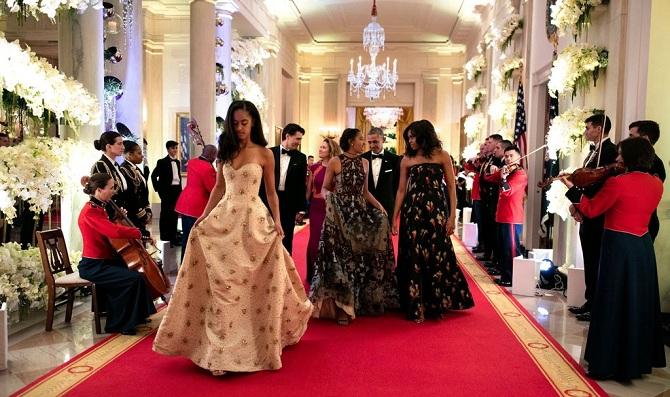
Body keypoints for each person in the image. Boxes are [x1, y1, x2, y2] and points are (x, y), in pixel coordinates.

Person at [153, 100, 312, 375]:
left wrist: (277, 221)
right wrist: (203, 217)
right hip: (224, 219)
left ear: (253, 123)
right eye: (235, 123)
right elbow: (217, 189)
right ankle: (221, 351)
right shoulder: (226, 152)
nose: (239, 128)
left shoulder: (264, 154)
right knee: (224, 286)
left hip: (253, 222)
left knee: (249, 284)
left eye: (244, 123)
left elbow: (272, 192)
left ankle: (254, 340)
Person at [563, 137, 665, 380]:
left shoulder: (618, 183)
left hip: (618, 246)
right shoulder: (656, 183)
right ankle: (636, 361)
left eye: (620, 155)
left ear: (628, 158)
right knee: (637, 303)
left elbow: (592, 209)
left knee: (612, 301)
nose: (617, 159)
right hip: (642, 245)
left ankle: (607, 362)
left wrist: (573, 191)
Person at [309, 128, 397, 325]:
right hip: (340, 215)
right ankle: (341, 307)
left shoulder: (364, 162)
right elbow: (324, 188)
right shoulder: (335, 161)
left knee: (358, 259)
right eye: (360, 139)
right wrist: (330, 199)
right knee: (342, 258)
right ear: (350, 141)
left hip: (359, 214)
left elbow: (365, 192)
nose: (363, 143)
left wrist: (379, 207)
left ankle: (357, 302)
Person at [391, 120, 474, 323]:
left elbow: (452, 188)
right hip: (412, 213)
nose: (409, 141)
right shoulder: (406, 159)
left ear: (424, 136)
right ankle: (414, 302)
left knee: (437, 254)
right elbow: (401, 190)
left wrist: (452, 216)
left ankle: (436, 301)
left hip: (436, 211)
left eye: (412, 136)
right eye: (407, 137)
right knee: (413, 255)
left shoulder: (442, 156)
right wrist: (394, 217)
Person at [78, 173, 156, 335]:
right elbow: (112, 231)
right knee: (130, 279)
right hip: (93, 265)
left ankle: (137, 317)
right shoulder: (90, 211)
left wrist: (116, 217)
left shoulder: (99, 208)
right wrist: (139, 232)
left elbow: (106, 229)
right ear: (99, 190)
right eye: (111, 188)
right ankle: (120, 324)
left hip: (104, 261)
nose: (114, 191)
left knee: (136, 274)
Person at [568, 114, 617, 322]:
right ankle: (590, 300)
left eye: (588, 128)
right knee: (588, 258)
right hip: (587, 211)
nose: (585, 132)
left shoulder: (609, 151)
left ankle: (597, 304)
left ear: (599, 129)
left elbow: (598, 184)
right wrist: (577, 206)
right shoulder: (593, 152)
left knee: (596, 259)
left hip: (598, 214)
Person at [259, 124, 308, 254]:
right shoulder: (269, 152)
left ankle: (285, 270)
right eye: (297, 139)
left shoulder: (301, 157)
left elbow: (301, 184)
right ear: (287, 136)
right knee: (265, 237)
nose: (299, 142)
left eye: (300, 139)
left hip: (288, 203)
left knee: (286, 239)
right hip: (266, 201)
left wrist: (301, 208)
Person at [488, 145, 528, 287]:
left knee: (511, 249)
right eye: (506, 156)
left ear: (518, 157)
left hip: (512, 216)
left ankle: (511, 278)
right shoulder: (507, 171)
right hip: (502, 215)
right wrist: (494, 169)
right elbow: (490, 178)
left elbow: (508, 192)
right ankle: (505, 275)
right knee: (503, 248)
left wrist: (503, 178)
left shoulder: (520, 174)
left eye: (511, 156)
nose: (508, 159)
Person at [305, 138, 341, 283]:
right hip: (316, 208)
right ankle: (314, 274)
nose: (320, 149)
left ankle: (329, 275)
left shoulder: (338, 166)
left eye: (323, 148)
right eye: (320, 147)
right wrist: (303, 208)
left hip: (332, 208)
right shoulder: (314, 167)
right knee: (314, 240)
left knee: (330, 240)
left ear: (331, 150)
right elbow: (309, 189)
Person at [174, 144, 218, 260]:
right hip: (196, 206)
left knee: (186, 237)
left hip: (185, 202)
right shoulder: (208, 168)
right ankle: (190, 264)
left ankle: (184, 263)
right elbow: (212, 188)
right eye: (215, 155)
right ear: (212, 155)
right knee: (194, 238)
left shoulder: (192, 162)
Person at [628, 120, 665, 242]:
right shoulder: (633, 161)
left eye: (632, 136)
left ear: (645, 138)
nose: (629, 140)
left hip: (643, 226)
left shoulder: (656, 164)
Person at [361, 127, 401, 219]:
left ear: (383, 140)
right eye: (369, 142)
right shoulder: (362, 158)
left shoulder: (395, 159)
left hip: (387, 208)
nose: (371, 145)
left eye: (375, 142)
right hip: (365, 207)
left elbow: (397, 186)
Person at [151, 141, 182, 245]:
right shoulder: (162, 162)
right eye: (173, 148)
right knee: (165, 214)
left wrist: (180, 192)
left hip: (176, 190)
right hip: (166, 192)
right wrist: (159, 190)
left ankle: (173, 236)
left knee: (174, 214)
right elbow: (153, 176)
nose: (175, 150)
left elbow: (178, 178)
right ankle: (165, 236)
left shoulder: (177, 162)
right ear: (168, 149)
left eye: (176, 148)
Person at [119, 141, 152, 236]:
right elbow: (131, 195)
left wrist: (148, 210)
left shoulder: (136, 169)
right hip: (133, 214)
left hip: (141, 212)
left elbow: (144, 192)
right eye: (139, 153)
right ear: (129, 154)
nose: (142, 156)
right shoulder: (124, 170)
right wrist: (142, 214)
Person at [91, 131, 128, 209]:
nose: (123, 147)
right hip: (112, 213)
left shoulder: (116, 165)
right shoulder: (100, 165)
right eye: (119, 144)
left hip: (123, 212)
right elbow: (99, 194)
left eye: (122, 143)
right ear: (108, 147)